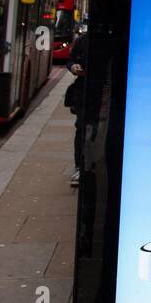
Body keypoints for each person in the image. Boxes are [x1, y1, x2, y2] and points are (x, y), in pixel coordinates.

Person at [64, 29, 88, 187]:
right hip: (83, 91)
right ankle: (79, 166)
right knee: (81, 128)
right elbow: (70, 60)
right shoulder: (82, 40)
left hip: (103, 92)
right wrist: (73, 68)